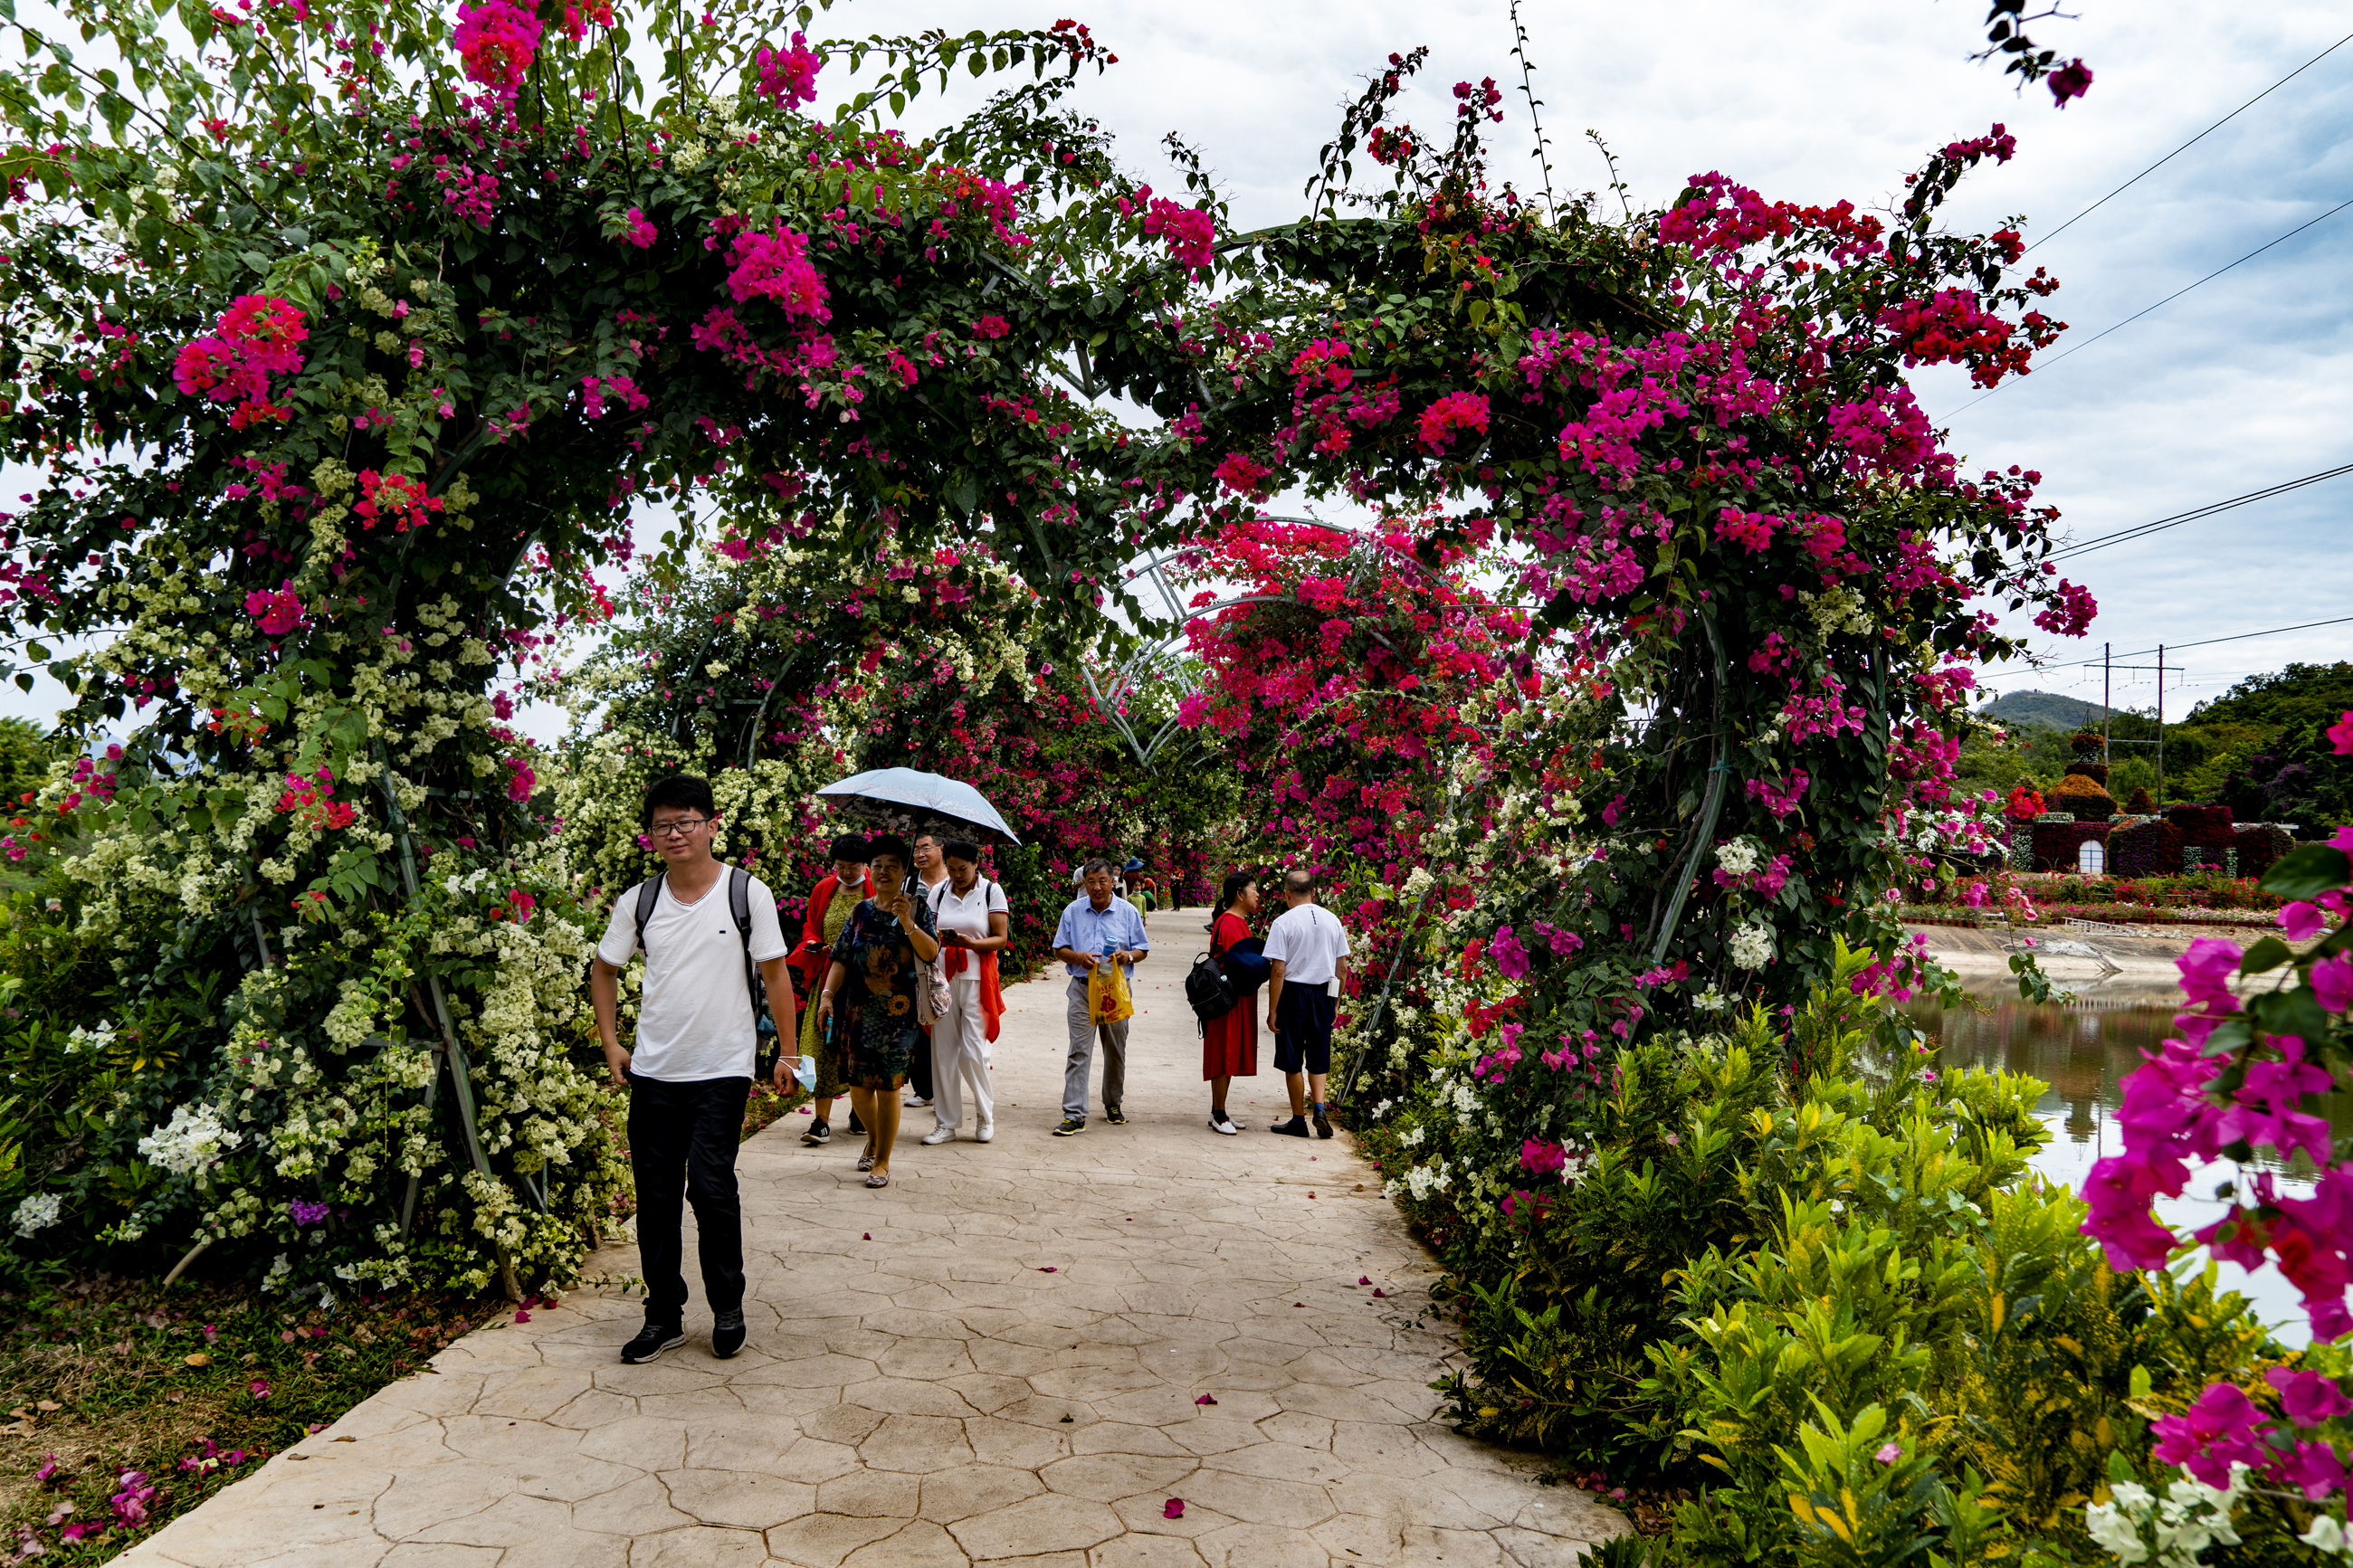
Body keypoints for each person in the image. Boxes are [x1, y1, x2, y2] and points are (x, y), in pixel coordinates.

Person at [590, 775, 795, 1364]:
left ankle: (727, 1306)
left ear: (711, 823)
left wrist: (787, 1051)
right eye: (662, 824)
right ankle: (664, 1316)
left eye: (685, 821)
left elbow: (776, 974)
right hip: (654, 1072)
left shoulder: (745, 891)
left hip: (721, 1068)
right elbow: (604, 971)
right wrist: (612, 1044)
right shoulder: (641, 901)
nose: (674, 832)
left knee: (709, 1187)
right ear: (650, 834)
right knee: (654, 1200)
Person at [812, 835, 939, 1189]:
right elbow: (840, 957)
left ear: (904, 872)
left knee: (887, 1088)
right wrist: (826, 996)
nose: (884, 872)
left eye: (892, 866)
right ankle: (874, 1137)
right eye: (878, 865)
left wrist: (909, 923)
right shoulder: (860, 911)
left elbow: (930, 953)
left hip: (899, 1015)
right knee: (858, 1089)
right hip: (858, 1011)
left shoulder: (917, 908)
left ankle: (882, 1160)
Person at [1050, 859, 1149, 1136]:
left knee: (1115, 1050)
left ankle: (1113, 1103)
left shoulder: (1128, 912)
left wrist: (1126, 955)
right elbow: (1059, 949)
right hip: (1082, 989)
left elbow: (1142, 949)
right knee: (1079, 1050)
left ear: (1114, 881)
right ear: (1083, 883)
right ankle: (1074, 1114)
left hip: (1115, 991)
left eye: (1102, 881)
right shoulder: (1073, 911)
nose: (1096, 887)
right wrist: (1079, 957)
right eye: (1090, 881)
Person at [921, 838, 1009, 1145]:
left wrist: (971, 943)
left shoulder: (990, 891)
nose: (957, 875)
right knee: (943, 1053)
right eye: (951, 868)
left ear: (976, 865)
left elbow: (1000, 938)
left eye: (962, 869)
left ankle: (985, 1115)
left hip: (978, 978)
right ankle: (946, 1123)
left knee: (973, 1052)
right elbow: (928, 933)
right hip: (942, 979)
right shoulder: (938, 892)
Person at [788, 835, 872, 1147]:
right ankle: (821, 1120)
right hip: (827, 980)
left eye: (853, 867)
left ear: (865, 866)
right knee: (819, 1046)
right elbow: (811, 924)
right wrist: (813, 943)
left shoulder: (873, 890)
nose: (847, 873)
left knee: (858, 1049)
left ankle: (858, 1111)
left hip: (864, 984)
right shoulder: (824, 888)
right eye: (841, 867)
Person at [1263, 868, 1350, 1139]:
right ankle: (1320, 1108)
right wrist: (1334, 1002)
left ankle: (1298, 1120)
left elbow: (1278, 970)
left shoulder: (1283, 923)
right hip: (1323, 992)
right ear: (1314, 892)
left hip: (1293, 993)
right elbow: (1342, 968)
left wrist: (1273, 1010)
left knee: (1292, 1059)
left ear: (1287, 894)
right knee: (1318, 1054)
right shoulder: (1333, 920)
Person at [1202, 871, 1262, 1135]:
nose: (1258, 894)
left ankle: (1221, 1109)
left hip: (1236, 996)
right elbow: (1241, 964)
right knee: (1224, 1051)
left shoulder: (1239, 921)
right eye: (1254, 889)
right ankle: (1219, 1114)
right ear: (1239, 894)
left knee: (1229, 1049)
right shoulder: (1229, 923)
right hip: (1227, 998)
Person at [903, 832, 951, 1111]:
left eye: (926, 848)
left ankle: (946, 1088)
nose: (920, 854)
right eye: (917, 849)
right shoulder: (909, 883)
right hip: (918, 962)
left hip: (949, 961)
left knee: (946, 1027)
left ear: (940, 849)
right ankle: (925, 1090)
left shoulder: (953, 881)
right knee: (921, 1026)